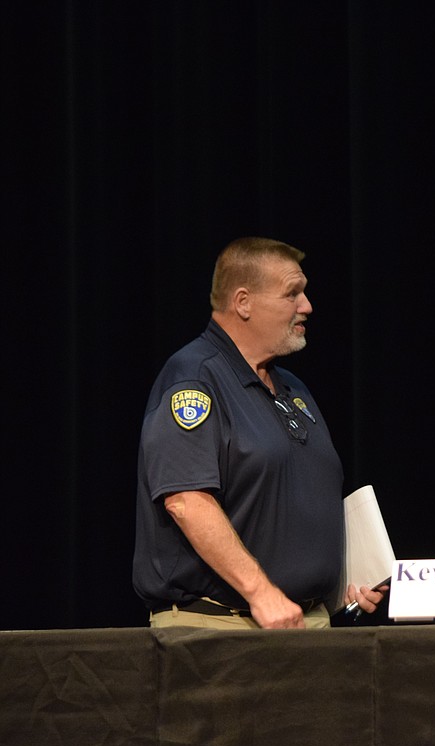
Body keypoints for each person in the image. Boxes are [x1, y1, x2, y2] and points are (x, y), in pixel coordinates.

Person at [132, 237, 384, 629]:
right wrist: (260, 592)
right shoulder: (194, 379)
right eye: (292, 294)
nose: (307, 306)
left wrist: (345, 583)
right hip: (223, 627)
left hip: (306, 621)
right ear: (243, 302)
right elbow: (186, 501)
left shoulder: (293, 387)